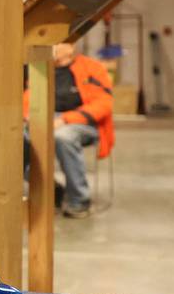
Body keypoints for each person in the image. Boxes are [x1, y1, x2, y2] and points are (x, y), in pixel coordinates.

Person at [24, 41, 114, 218]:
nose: (55, 46)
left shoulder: (92, 68)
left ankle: (79, 199)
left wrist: (65, 119)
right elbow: (28, 97)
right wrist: (28, 116)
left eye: (60, 43)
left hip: (84, 124)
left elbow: (104, 103)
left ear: (71, 48)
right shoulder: (41, 68)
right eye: (54, 43)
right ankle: (53, 190)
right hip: (47, 120)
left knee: (63, 136)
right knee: (18, 137)